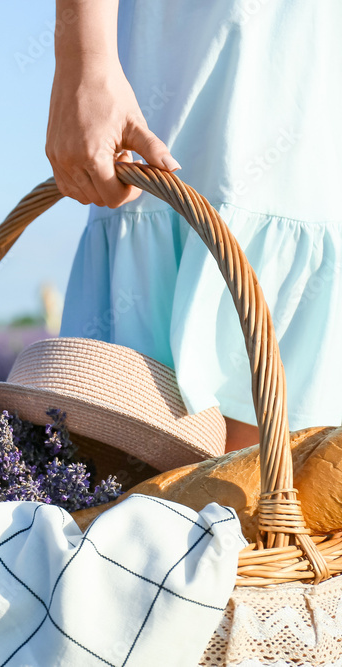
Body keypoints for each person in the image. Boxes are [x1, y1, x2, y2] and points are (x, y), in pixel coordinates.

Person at [47, 0, 342, 453]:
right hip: (196, 54)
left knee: (280, 498)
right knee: (145, 485)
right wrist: (86, 62)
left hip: (317, 78)